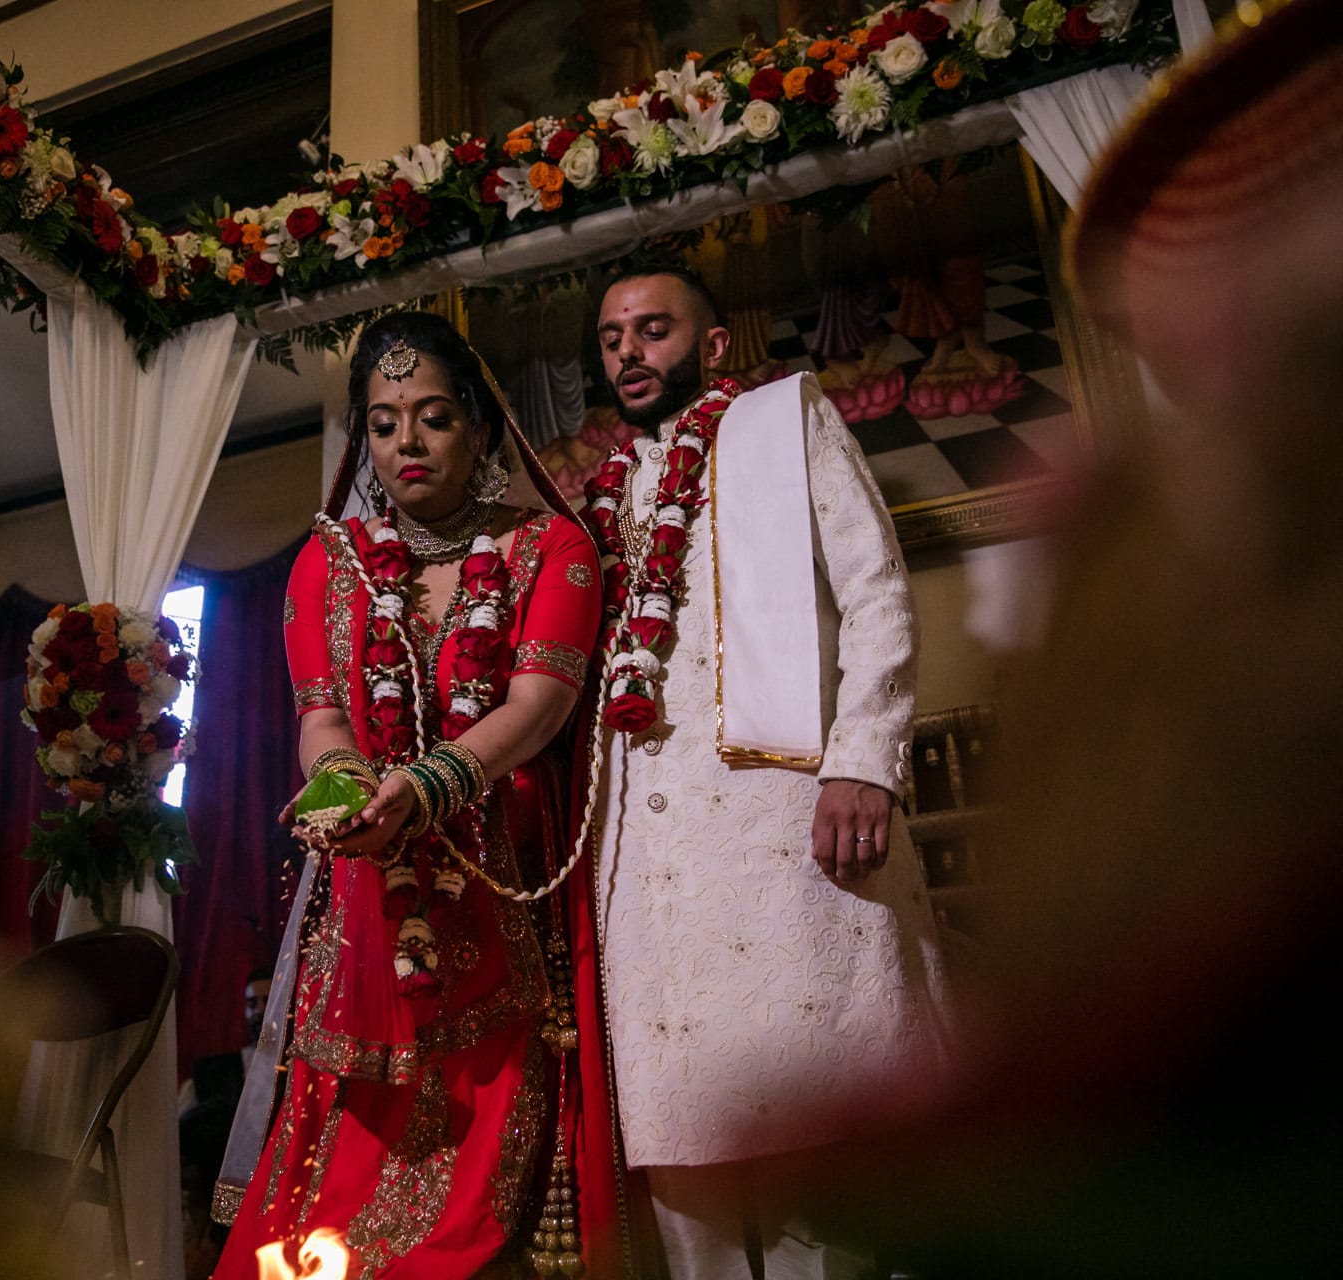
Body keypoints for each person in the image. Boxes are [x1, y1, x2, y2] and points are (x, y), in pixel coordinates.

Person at [211, 311, 606, 1277]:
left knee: (490, 1196)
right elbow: (322, 718)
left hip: (506, 884)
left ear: (479, 424)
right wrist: (342, 791)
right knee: (334, 1185)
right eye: (383, 424)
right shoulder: (328, 564)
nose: (407, 444)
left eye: (431, 416)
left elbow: (542, 704)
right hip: (371, 901)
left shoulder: (552, 547)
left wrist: (431, 783)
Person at [585, 259, 949, 1279]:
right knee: (690, 1162)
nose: (629, 353)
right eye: (613, 338)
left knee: (829, 1147)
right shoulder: (598, 492)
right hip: (652, 862)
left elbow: (876, 589)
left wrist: (864, 763)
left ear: (711, 345)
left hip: (790, 833)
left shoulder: (784, 423)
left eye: (653, 330)